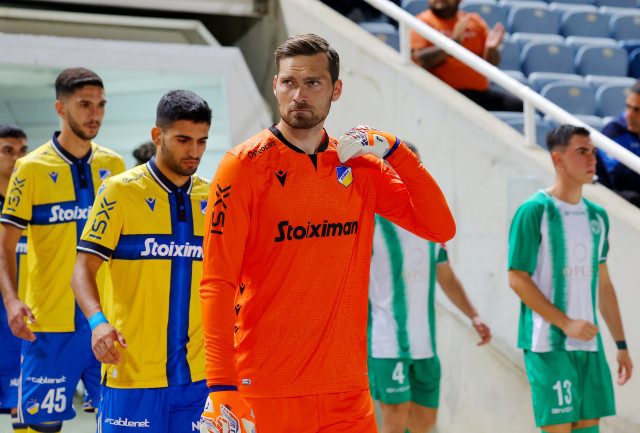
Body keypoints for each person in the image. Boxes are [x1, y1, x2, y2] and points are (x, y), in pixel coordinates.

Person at [199, 33, 456, 433]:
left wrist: (395, 150)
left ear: (336, 90)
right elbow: (217, 281)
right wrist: (220, 384)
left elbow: (439, 226)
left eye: (313, 82)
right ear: (275, 85)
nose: (299, 94)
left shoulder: (361, 166)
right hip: (267, 387)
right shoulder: (242, 166)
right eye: (289, 82)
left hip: (347, 391)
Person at [70, 89, 212, 433]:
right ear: (157, 135)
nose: (194, 151)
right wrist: (97, 322)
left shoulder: (214, 196)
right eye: (183, 140)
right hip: (131, 373)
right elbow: (82, 270)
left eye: (202, 141)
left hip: (198, 379)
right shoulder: (119, 192)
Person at [0, 68, 125, 433]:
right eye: (84, 104)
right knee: (41, 427)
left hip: (105, 325)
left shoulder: (113, 165)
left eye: (101, 105)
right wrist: (11, 301)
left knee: (116, 423)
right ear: (60, 107)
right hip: (49, 326)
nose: (95, 114)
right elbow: (5, 244)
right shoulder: (30, 168)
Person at [508, 125, 632, 433]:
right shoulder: (534, 210)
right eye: (582, 152)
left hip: (589, 346)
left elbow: (603, 284)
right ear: (558, 159)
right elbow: (517, 277)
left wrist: (621, 344)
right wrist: (565, 323)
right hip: (548, 345)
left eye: (593, 152)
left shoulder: (598, 216)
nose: (592, 159)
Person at [368, 145, 490, 433]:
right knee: (395, 418)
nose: (408, 176)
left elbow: (445, 277)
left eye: (415, 168)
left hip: (425, 344)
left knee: (425, 423)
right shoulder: (368, 221)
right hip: (386, 343)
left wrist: (473, 315)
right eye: (400, 168)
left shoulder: (430, 223)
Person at [410, 0, 523, 112]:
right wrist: (453, 42)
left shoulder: (474, 21)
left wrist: (491, 49)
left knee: (521, 105)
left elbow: (491, 63)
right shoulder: (422, 22)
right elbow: (420, 60)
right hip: (444, 93)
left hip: (479, 93)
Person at [0, 124, 28, 433]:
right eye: (8, 151)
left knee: (22, 407)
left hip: (23, 315)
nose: (17, 158)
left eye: (22, 150)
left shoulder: (33, 205)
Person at [599, 80, 640, 207]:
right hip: (612, 195)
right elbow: (621, 179)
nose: (629, 115)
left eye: (637, 110)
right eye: (628, 106)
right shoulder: (613, 131)